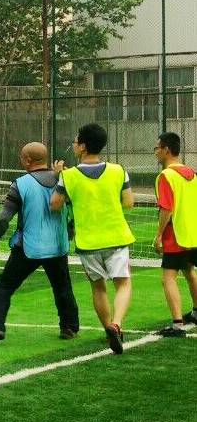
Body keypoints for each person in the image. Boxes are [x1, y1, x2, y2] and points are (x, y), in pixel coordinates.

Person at [0, 142, 79, 342]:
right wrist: (71, 228)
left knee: (4, 285)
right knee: (62, 286)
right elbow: (74, 208)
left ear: (28, 160)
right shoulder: (63, 179)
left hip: (28, 247)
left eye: (21, 158)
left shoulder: (21, 184)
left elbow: (3, 218)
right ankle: (69, 327)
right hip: (57, 246)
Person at [50, 122, 134, 354]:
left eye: (75, 141)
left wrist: (60, 178)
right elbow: (128, 202)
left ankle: (108, 329)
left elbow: (54, 205)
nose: (73, 145)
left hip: (88, 243)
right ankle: (116, 324)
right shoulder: (118, 170)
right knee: (123, 283)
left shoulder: (68, 176)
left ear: (83, 146)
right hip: (116, 238)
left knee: (98, 287)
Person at [151, 131, 197, 337]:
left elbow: (166, 209)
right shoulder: (192, 174)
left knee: (168, 278)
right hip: (192, 234)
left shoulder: (166, 176)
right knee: (189, 271)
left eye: (156, 148)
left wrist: (159, 235)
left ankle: (177, 324)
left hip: (175, 234)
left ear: (166, 149)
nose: (155, 152)